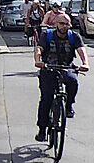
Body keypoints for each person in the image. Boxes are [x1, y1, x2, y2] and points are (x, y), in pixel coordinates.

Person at [34, 13, 90, 142]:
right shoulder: (47, 35)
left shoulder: (74, 36)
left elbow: (81, 50)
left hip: (66, 67)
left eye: (67, 24)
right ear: (56, 24)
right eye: (61, 24)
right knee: (46, 100)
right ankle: (42, 129)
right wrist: (38, 61)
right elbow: (39, 49)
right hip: (48, 68)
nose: (64, 27)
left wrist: (85, 63)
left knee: (73, 81)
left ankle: (69, 105)